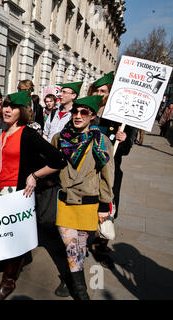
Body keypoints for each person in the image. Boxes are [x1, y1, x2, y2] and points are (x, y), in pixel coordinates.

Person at [0, 89, 66, 300]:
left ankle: (8, 281)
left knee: (12, 240)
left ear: (22, 111)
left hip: (16, 195)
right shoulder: (3, 131)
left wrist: (35, 175)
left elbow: (58, 160)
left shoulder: (28, 134)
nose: (7, 109)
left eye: (13, 107)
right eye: (6, 105)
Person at [52, 95, 114, 300]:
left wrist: (105, 205)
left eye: (84, 112)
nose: (78, 116)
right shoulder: (60, 137)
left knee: (79, 247)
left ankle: (69, 279)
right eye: (75, 112)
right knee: (72, 246)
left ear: (93, 116)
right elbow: (52, 164)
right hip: (66, 201)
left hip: (89, 202)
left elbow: (107, 175)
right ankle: (81, 292)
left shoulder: (101, 141)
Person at [87, 71, 137, 268]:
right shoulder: (87, 112)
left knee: (107, 210)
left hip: (110, 172)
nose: (100, 94)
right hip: (88, 172)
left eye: (104, 91)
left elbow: (125, 151)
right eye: (97, 90)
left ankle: (100, 245)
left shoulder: (120, 117)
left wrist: (124, 140)